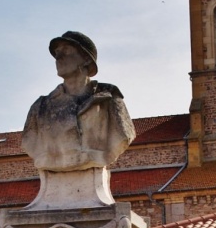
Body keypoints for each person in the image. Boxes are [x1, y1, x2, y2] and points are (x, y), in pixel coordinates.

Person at [22, 32, 135, 172]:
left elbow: (122, 136)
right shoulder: (40, 108)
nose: (58, 57)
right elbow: (29, 142)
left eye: (67, 50)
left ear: (86, 59)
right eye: (56, 53)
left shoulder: (109, 99)